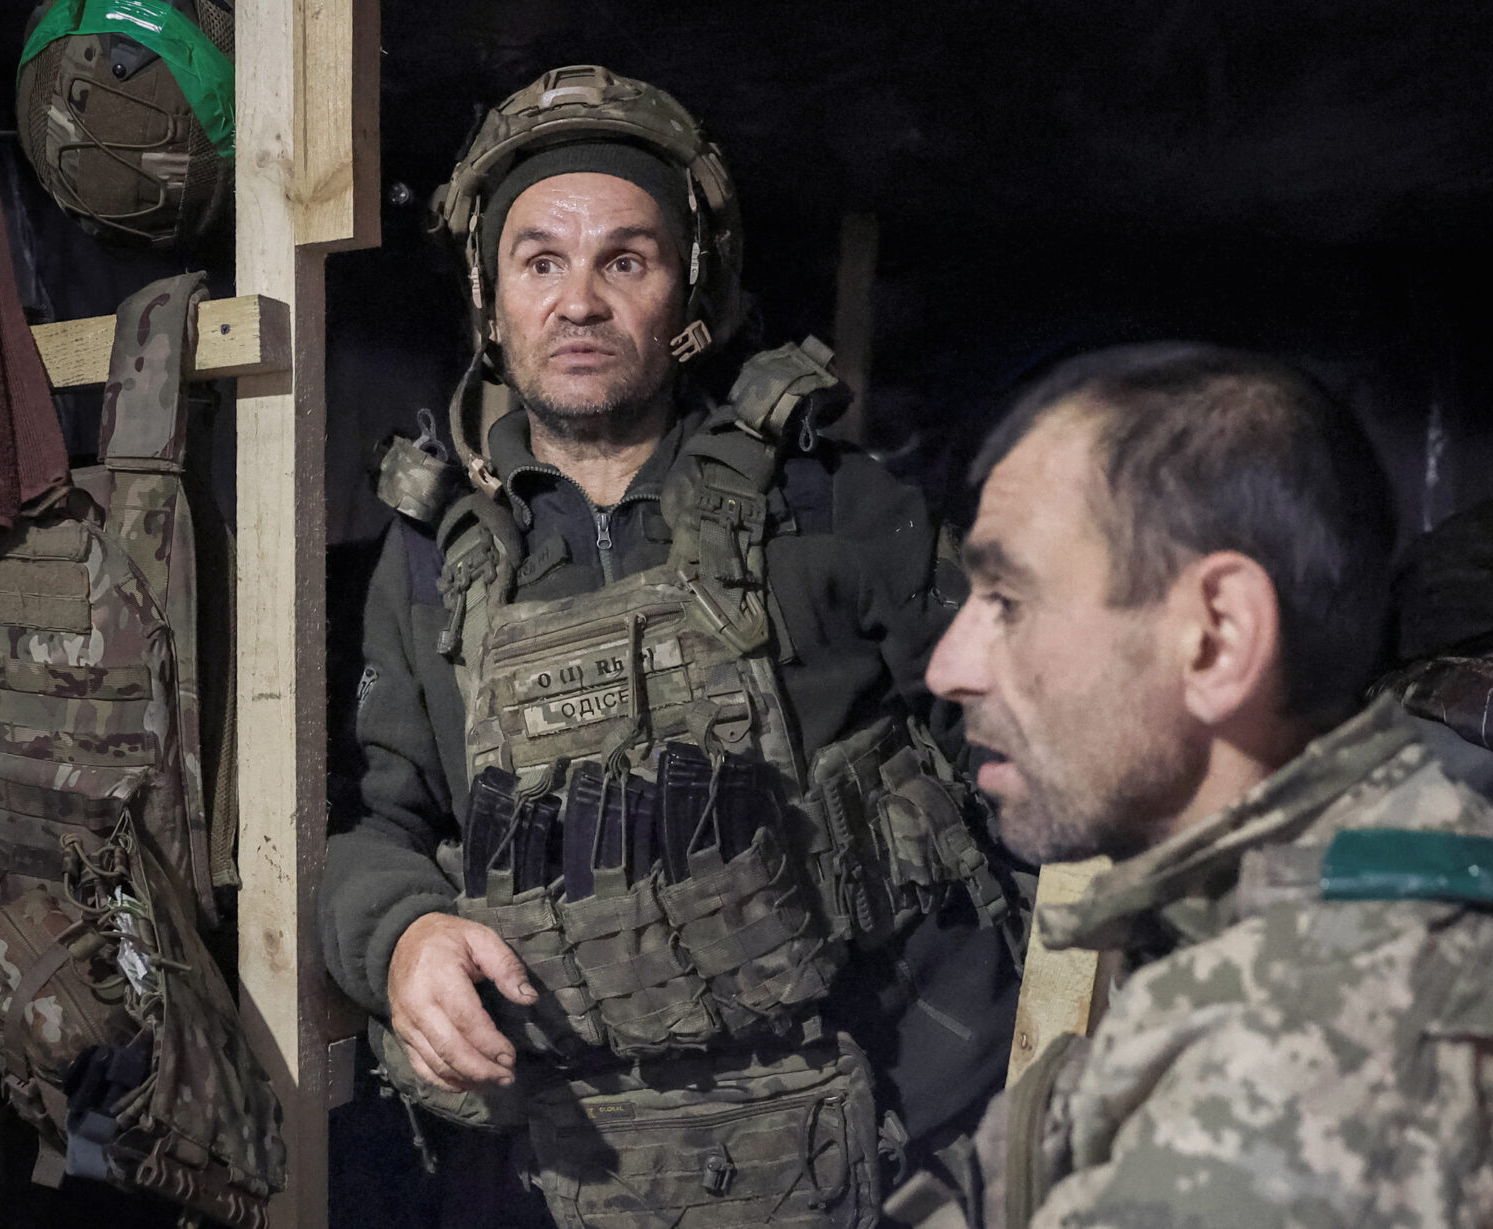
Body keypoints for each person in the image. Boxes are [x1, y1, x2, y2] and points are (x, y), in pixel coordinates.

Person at [320, 66, 1025, 1229]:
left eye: (625, 260)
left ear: (689, 287)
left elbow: (1044, 778)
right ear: (490, 301)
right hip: (567, 1178)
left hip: (900, 1164)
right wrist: (401, 939)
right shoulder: (427, 559)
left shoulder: (838, 508)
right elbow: (375, 826)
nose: (580, 301)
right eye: (540, 261)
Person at [921, 341, 1493, 1228]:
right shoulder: (1373, 841)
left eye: (1009, 600)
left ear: (1217, 638)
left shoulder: (1284, 1081)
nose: (950, 666)